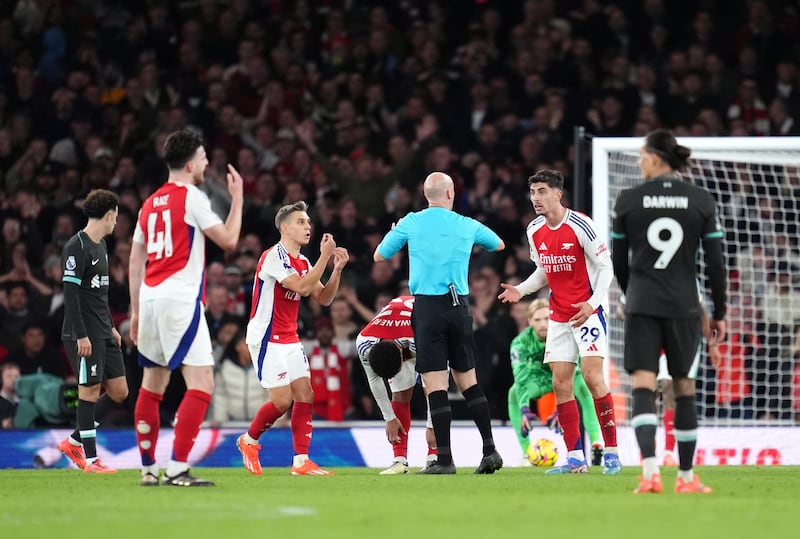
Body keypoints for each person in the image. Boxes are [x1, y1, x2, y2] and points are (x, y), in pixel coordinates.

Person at [611, 129, 727, 494]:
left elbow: (619, 261)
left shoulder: (628, 200)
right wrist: (719, 312)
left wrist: (634, 296)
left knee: (643, 384)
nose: (639, 162)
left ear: (657, 158)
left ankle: (649, 474)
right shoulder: (700, 200)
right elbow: (715, 262)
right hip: (684, 306)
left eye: (643, 155)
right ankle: (688, 479)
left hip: (643, 305)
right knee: (684, 386)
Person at [129, 129, 244, 487]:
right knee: (202, 382)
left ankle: (148, 468)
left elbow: (136, 259)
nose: (207, 164)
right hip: (179, 298)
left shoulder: (149, 203)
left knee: (153, 383)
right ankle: (178, 466)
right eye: (205, 159)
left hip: (149, 298)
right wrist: (238, 199)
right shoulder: (191, 196)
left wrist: (134, 311)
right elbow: (229, 240)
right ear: (191, 163)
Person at [374, 171, 506, 474]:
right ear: (450, 194)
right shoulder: (465, 223)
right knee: (468, 382)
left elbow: (380, 256)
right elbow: (498, 245)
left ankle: (444, 459)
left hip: (429, 308)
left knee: (435, 385)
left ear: (426, 196)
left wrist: (396, 231)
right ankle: (490, 450)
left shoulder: (411, 222)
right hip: (460, 307)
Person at [498, 169, 622, 475]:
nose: (536, 198)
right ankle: (576, 458)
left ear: (557, 194)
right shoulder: (534, 230)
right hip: (559, 316)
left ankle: (611, 453)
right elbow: (543, 271)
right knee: (560, 383)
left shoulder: (581, 225)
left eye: (541, 191)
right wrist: (521, 289)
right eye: (533, 192)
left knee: (593, 379)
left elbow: (606, 267)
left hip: (588, 313)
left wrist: (592, 304)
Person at [236, 201, 349, 476]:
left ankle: (301, 461)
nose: (308, 226)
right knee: (282, 400)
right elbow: (300, 286)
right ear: (284, 228)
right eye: (301, 222)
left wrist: (335, 269)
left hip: (288, 337)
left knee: (305, 394)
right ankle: (248, 441)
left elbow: (322, 298)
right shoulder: (272, 256)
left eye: (309, 222)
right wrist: (324, 257)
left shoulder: (304, 261)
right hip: (266, 338)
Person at [59, 189, 128, 473]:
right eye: (116, 217)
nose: (117, 223)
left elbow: (99, 294)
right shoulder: (77, 246)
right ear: (109, 214)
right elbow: (71, 295)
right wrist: (81, 335)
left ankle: (75, 440)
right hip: (84, 334)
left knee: (120, 391)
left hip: (102, 330)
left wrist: (110, 326)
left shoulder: (101, 246)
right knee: (88, 392)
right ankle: (90, 460)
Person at [508, 298, 604, 466]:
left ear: (552, 318)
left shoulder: (565, 334)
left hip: (568, 376)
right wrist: (524, 408)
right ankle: (527, 452)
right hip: (539, 379)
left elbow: (579, 366)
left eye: (546, 318)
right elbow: (521, 376)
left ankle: (596, 443)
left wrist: (562, 407)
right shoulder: (519, 343)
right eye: (537, 320)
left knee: (584, 386)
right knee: (514, 392)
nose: (543, 324)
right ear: (529, 321)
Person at [355, 295, 438, 474]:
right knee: (400, 394)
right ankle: (400, 460)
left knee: (431, 387)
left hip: (428, 330)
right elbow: (374, 380)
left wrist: (432, 428)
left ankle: (434, 456)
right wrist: (389, 418)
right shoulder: (364, 342)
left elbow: (435, 387)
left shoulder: (420, 338)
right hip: (401, 333)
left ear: (402, 354)